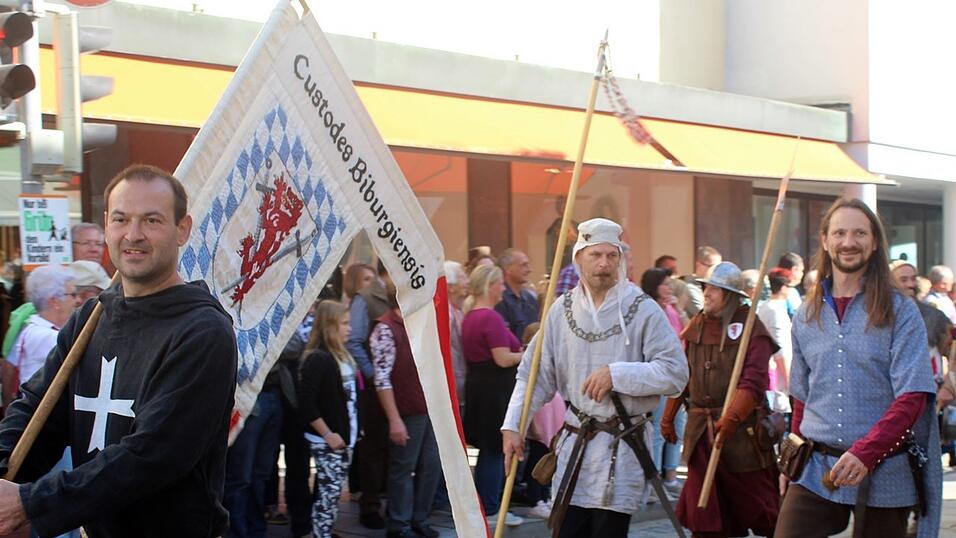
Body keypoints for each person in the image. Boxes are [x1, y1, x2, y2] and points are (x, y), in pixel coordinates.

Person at [0, 164, 237, 536]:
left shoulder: (202, 332)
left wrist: (31, 504)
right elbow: (38, 409)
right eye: (122, 219)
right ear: (107, 224)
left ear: (183, 230)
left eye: (152, 221)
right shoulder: (92, 318)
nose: (134, 234)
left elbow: (153, 456)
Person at [502, 218, 688, 538]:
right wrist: (513, 424)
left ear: (621, 259)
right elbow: (533, 376)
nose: (604, 263)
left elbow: (675, 373)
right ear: (578, 259)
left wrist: (618, 374)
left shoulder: (643, 309)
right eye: (595, 255)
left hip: (622, 447)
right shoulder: (561, 310)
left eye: (611, 256)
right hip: (575, 446)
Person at [776, 198, 941, 538]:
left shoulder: (900, 312)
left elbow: (912, 396)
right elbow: (802, 398)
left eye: (859, 233)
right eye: (839, 232)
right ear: (825, 240)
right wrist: (792, 455)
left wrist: (866, 453)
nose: (848, 242)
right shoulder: (806, 315)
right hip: (816, 468)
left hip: (886, 469)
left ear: (875, 241)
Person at [664, 261, 780, 536]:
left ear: (730, 295)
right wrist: (669, 416)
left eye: (715, 289)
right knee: (705, 517)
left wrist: (733, 416)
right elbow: (682, 373)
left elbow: (753, 380)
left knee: (760, 508)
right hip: (700, 434)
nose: (707, 293)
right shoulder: (697, 325)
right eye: (706, 287)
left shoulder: (752, 327)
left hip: (743, 437)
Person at [371, 285, 442, 538]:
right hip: (406, 411)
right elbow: (382, 379)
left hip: (428, 408)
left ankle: (419, 519)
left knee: (431, 465)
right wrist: (394, 420)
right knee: (403, 468)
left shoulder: (419, 324)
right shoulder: (385, 329)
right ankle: (399, 524)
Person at [462, 264, 525, 528]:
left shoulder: (471, 316)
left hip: (482, 388)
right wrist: (529, 354)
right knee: (495, 450)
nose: (503, 289)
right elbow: (502, 358)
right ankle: (490, 507)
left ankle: (487, 504)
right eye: (499, 284)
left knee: (490, 450)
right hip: (494, 391)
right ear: (490, 285)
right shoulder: (489, 317)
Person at [299, 300, 358, 538]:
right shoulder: (318, 359)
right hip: (327, 440)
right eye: (344, 324)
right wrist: (327, 434)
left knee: (332, 495)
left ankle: (324, 532)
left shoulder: (341, 356)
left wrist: (355, 429)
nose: (349, 328)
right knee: (327, 496)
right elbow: (306, 405)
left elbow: (348, 400)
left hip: (345, 437)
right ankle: (320, 533)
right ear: (329, 326)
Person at [345, 260, 391, 529]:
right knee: (373, 447)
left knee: (390, 447)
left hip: (396, 383)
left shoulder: (400, 296)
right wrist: (374, 375)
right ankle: (370, 506)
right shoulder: (364, 299)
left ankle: (386, 501)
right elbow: (354, 340)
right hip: (376, 386)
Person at [3, 266, 81, 406]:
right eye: (73, 295)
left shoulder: (30, 329)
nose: (78, 300)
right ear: (54, 301)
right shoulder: (47, 337)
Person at [640, 267, 686, 501]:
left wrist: (678, 309)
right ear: (654, 286)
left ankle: (670, 476)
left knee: (678, 427)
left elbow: (686, 332)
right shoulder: (648, 309)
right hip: (659, 375)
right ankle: (654, 481)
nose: (669, 288)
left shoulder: (670, 309)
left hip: (677, 377)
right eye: (665, 284)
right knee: (659, 427)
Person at [757, 267, 794, 408]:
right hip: (777, 379)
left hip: (773, 372)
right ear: (783, 287)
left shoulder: (768, 307)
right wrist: (790, 381)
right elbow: (780, 349)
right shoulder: (774, 310)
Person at [495, 248, 539, 341]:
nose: (529, 270)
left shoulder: (530, 299)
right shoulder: (500, 299)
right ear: (508, 269)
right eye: (524, 265)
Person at [443, 260, 468, 408]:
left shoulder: (458, 310)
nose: (467, 281)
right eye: (462, 277)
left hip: (460, 381)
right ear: (450, 287)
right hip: (452, 383)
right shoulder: (447, 314)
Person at [682, 246, 721, 318]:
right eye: (712, 266)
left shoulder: (715, 284)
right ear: (699, 265)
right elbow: (704, 314)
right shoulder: (689, 287)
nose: (716, 271)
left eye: (719, 267)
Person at [778, 253, 805, 317]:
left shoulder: (774, 287)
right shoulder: (790, 292)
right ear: (794, 270)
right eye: (801, 270)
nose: (802, 274)